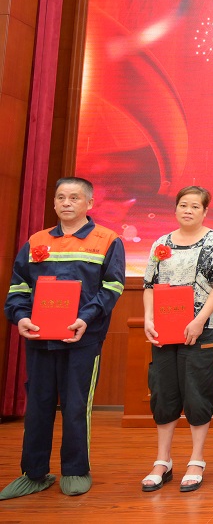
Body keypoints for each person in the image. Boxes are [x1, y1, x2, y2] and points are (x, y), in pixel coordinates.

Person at [1, 177, 125, 500]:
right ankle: (34, 473)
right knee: (37, 406)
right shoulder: (37, 240)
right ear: (54, 203)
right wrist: (20, 316)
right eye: (60, 197)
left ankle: (75, 470)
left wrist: (85, 319)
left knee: (76, 406)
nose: (66, 203)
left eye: (74, 197)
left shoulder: (107, 240)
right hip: (40, 338)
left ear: (89, 203)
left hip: (83, 339)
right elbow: (19, 286)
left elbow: (112, 287)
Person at [140, 186, 213, 492]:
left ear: (205, 211)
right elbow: (149, 285)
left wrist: (198, 320)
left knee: (197, 391)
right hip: (164, 330)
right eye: (183, 205)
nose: (188, 210)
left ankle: (196, 459)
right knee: (163, 392)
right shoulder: (161, 243)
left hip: (201, 328)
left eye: (195, 206)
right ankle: (162, 460)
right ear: (175, 209)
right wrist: (148, 318)